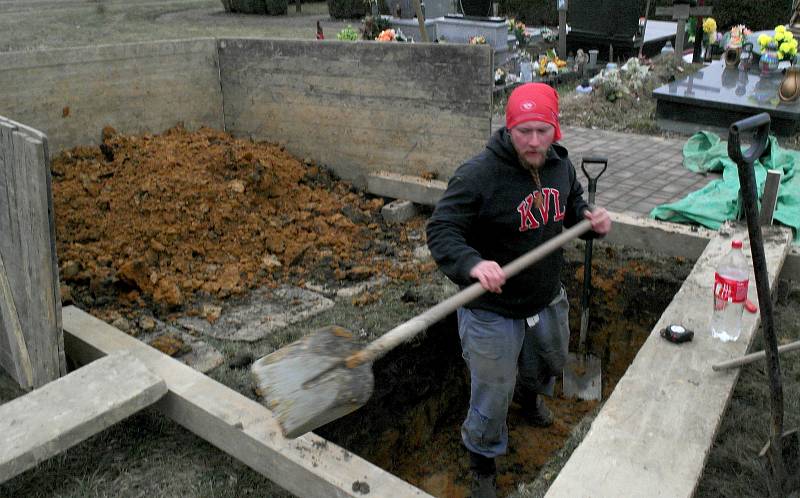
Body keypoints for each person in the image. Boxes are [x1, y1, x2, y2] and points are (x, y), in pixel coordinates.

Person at [425, 83, 611, 498]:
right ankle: (483, 463)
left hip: (544, 296)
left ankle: (530, 401)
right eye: (523, 131)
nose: (532, 141)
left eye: (542, 131)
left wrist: (587, 218)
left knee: (551, 359)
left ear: (555, 131)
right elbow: (441, 229)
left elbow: (570, 204)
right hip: (491, 308)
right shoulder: (479, 175)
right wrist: (473, 263)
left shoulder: (560, 165)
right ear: (508, 129)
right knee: (492, 396)